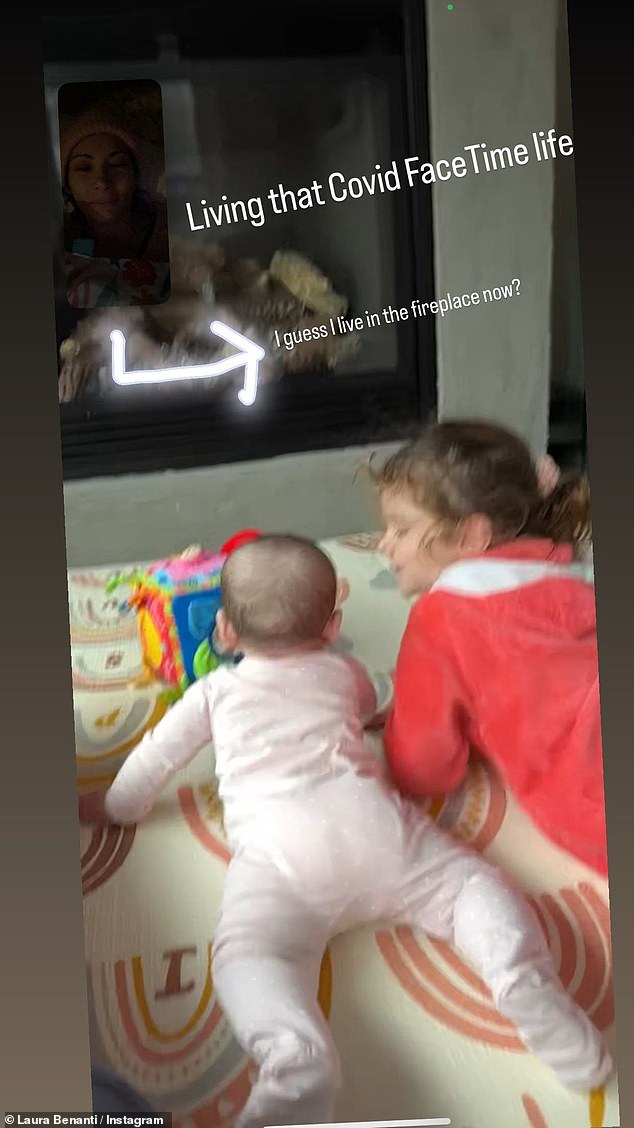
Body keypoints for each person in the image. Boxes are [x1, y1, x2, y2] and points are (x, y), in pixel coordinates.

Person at [79, 535, 612, 1128]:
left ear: (225, 632)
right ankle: (518, 975)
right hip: (381, 838)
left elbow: (153, 759)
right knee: (472, 890)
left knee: (249, 955)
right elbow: (370, 703)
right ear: (332, 627)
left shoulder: (214, 693)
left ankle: (295, 1059)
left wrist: (115, 808)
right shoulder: (341, 673)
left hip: (281, 865)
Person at [373, 419, 608, 877]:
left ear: (471, 535)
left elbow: (423, 769)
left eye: (401, 530)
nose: (384, 545)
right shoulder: (569, 575)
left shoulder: (443, 616)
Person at [60, 108, 170, 306]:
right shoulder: (60, 241)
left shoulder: (170, 228)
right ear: (67, 183)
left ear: (135, 176)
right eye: (84, 168)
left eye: (117, 164)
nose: (102, 181)